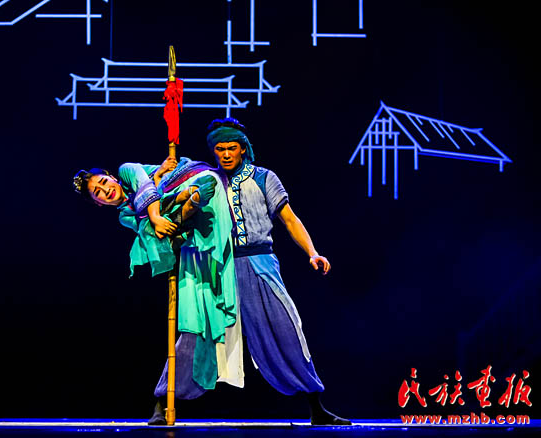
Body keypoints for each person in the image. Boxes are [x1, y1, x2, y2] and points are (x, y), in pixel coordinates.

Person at [73, 156, 244, 424]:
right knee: (193, 319)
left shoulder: (127, 170)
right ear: (98, 203)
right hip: (187, 235)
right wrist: (156, 214)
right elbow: (151, 227)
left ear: (112, 177)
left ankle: (186, 199)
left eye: (104, 182)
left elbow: (144, 187)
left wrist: (154, 212)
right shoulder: (125, 216)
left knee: (151, 223)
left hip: (200, 188)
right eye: (99, 193)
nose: (106, 190)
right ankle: (164, 399)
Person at [206, 117, 351, 426]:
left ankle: (316, 406)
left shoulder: (264, 177)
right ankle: (164, 401)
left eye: (232, 148)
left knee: (286, 328)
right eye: (220, 149)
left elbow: (290, 219)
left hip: (260, 262)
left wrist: (312, 252)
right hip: (222, 267)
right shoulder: (208, 182)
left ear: (243, 148)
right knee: (199, 335)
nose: (226, 154)